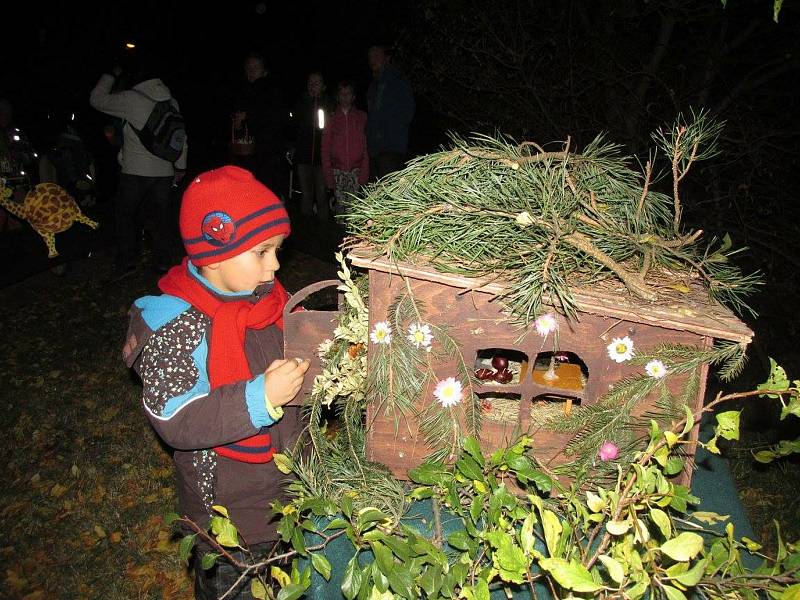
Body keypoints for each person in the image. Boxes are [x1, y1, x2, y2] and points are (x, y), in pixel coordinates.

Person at [122, 165, 310, 600]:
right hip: (228, 518)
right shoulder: (177, 325)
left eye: (277, 249)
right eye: (263, 251)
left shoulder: (272, 305)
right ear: (213, 253)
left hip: (290, 498)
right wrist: (257, 398)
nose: (277, 264)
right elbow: (178, 419)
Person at [90, 61, 188, 275]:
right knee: (162, 218)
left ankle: (127, 261)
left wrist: (110, 74)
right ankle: (162, 261)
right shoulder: (171, 101)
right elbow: (181, 137)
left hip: (135, 171)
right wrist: (180, 167)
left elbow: (96, 99)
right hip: (164, 172)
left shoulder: (131, 99)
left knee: (125, 215)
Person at [232, 53, 289, 195]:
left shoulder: (272, 90)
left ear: (264, 70)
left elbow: (275, 118)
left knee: (268, 190)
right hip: (247, 153)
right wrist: (238, 125)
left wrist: (249, 116)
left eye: (255, 68)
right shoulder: (243, 91)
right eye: (248, 68)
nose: (251, 72)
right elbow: (238, 124)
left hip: (269, 153)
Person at [366, 45, 415, 180]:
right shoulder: (372, 87)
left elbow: (408, 111)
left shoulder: (397, 80)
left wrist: (389, 133)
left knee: (387, 193)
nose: (372, 60)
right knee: (375, 194)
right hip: (374, 151)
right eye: (370, 57)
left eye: (376, 55)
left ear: (386, 58)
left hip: (391, 149)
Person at [321, 80, 368, 215]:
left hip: (356, 171)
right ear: (337, 96)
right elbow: (325, 148)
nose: (345, 96)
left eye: (348, 93)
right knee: (340, 210)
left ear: (353, 96)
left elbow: (365, 147)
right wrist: (329, 176)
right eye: (342, 93)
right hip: (337, 172)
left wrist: (364, 173)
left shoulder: (362, 117)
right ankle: (338, 234)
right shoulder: (332, 118)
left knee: (354, 211)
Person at [291, 71, 332, 219]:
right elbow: (293, 125)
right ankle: (306, 227)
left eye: (317, 82)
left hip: (322, 158)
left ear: (324, 86)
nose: (313, 85)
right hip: (303, 156)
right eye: (310, 82)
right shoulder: (301, 103)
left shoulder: (329, 104)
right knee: (306, 193)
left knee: (321, 193)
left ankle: (324, 227)